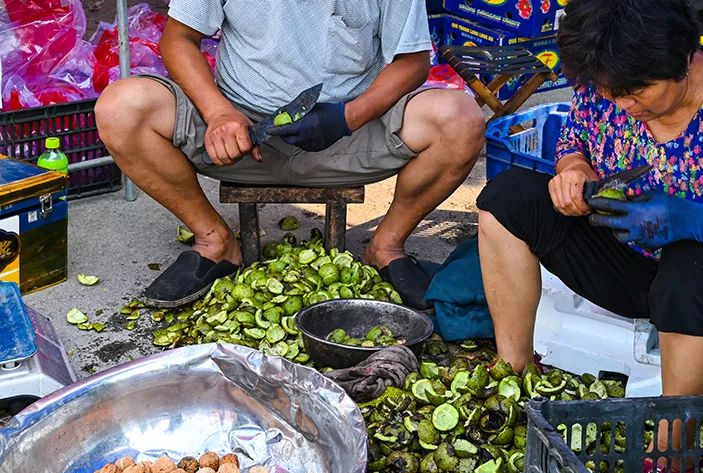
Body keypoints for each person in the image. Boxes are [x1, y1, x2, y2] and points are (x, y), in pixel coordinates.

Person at [476, 0, 703, 400]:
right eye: (609, 93)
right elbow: (574, 137)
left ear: (684, 58)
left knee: (692, 261)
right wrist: (574, 169)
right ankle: (514, 372)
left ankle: (675, 432)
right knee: (508, 197)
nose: (622, 105)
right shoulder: (608, 79)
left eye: (637, 93)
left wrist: (697, 222)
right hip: (630, 260)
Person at [96, 2, 484, 310]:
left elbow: (413, 61)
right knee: (121, 108)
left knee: (460, 119)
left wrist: (347, 117)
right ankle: (214, 241)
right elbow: (178, 40)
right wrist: (218, 114)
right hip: (240, 138)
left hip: (348, 136)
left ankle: (387, 246)